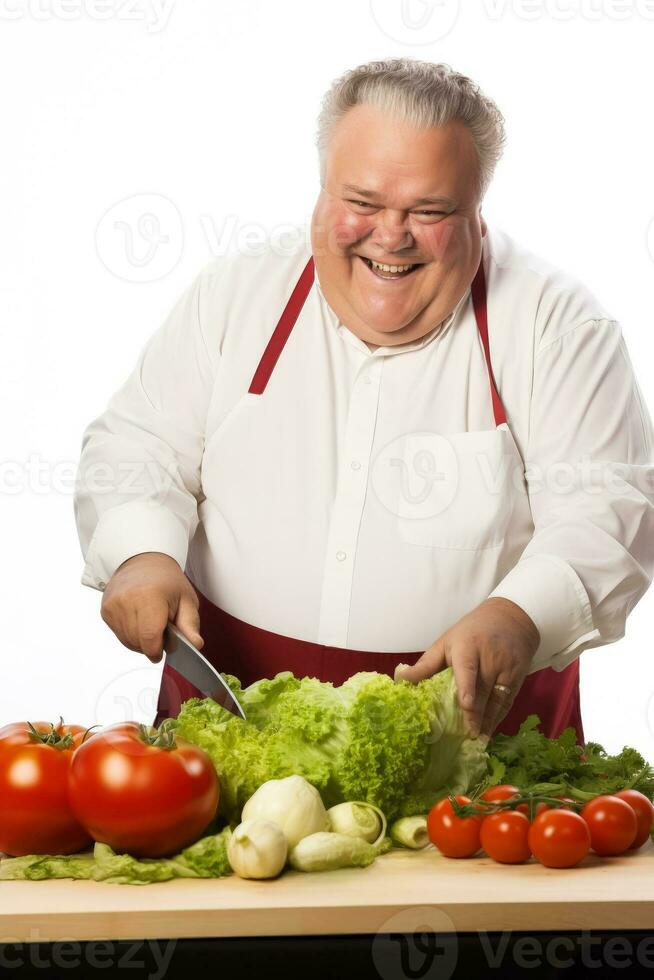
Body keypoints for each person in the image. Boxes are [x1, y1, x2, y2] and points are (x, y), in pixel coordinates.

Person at [74, 57, 654, 744]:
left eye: (429, 211)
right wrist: (142, 555)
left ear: (478, 207)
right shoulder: (235, 294)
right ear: (323, 187)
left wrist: (520, 617)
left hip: (476, 755)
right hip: (231, 730)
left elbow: (606, 509)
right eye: (362, 203)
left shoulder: (557, 327)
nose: (390, 236)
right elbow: (138, 445)